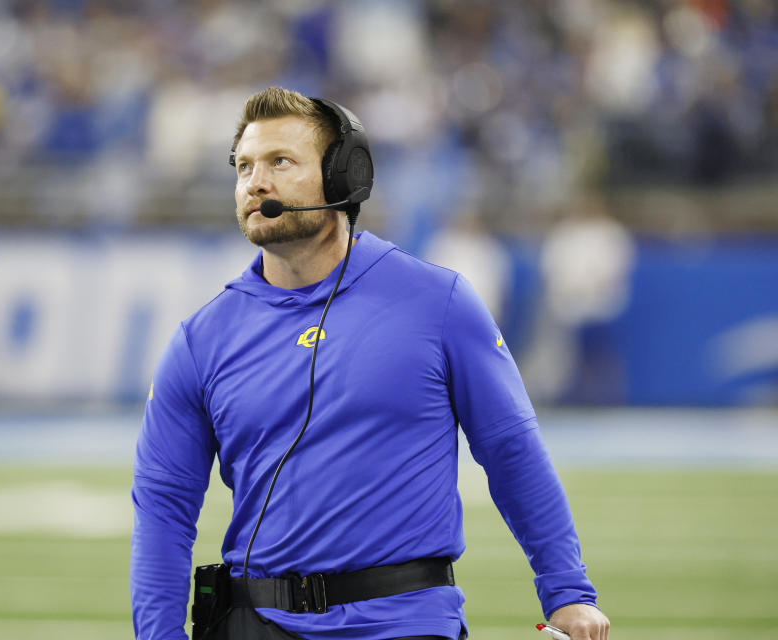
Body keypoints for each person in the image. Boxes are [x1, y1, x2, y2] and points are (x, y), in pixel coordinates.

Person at [130, 87, 610, 640]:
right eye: (244, 167)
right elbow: (163, 506)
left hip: (403, 621)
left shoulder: (438, 302)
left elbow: (511, 448)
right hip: (253, 622)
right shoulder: (200, 340)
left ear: (343, 177)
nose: (255, 182)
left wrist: (567, 591)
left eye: (280, 162)